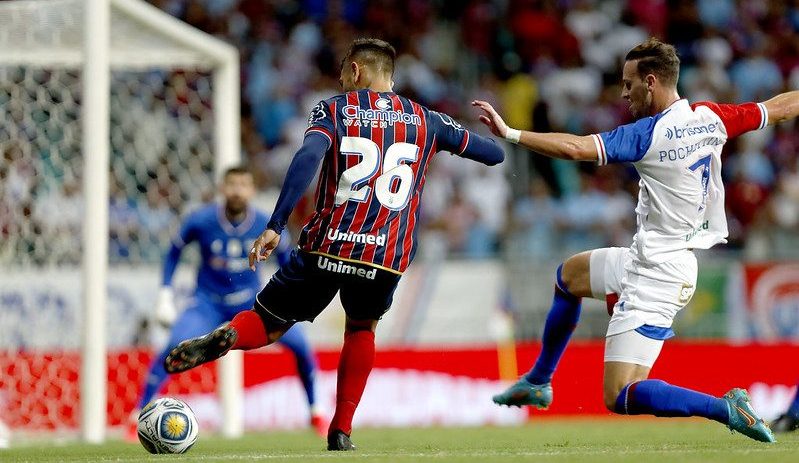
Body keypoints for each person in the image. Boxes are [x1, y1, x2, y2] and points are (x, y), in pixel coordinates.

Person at [163, 38, 505, 451]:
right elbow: (492, 155)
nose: (341, 79)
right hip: (385, 255)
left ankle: (230, 337)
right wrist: (495, 133)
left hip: (329, 245)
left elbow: (308, 156)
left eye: (344, 71)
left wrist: (275, 223)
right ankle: (341, 431)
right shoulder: (425, 119)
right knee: (361, 329)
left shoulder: (334, 109)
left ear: (356, 71)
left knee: (269, 323)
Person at [474, 37, 799, 443]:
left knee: (619, 395)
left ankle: (725, 408)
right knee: (570, 276)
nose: (624, 93)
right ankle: (539, 380)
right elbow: (778, 108)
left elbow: (577, 149)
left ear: (651, 82)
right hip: (649, 256)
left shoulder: (649, 134)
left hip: (659, 274)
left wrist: (512, 133)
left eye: (628, 84)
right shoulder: (711, 116)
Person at [128, 166, 326, 440]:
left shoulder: (265, 224)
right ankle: (137, 416)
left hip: (253, 305)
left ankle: (316, 412)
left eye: (243, 185)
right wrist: (165, 294)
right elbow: (174, 252)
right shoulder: (201, 220)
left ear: (252, 190)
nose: (237, 191)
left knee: (302, 346)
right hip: (207, 302)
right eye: (232, 184)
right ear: (223, 188)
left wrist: (292, 302)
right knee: (174, 346)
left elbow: (287, 262)